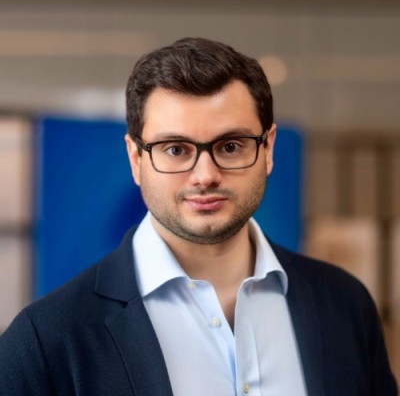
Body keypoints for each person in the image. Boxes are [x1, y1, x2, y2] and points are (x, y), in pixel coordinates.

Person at [0, 38, 397, 396]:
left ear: (268, 149)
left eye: (231, 146)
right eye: (176, 149)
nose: (205, 175)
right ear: (136, 159)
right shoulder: (46, 342)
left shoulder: (344, 306)